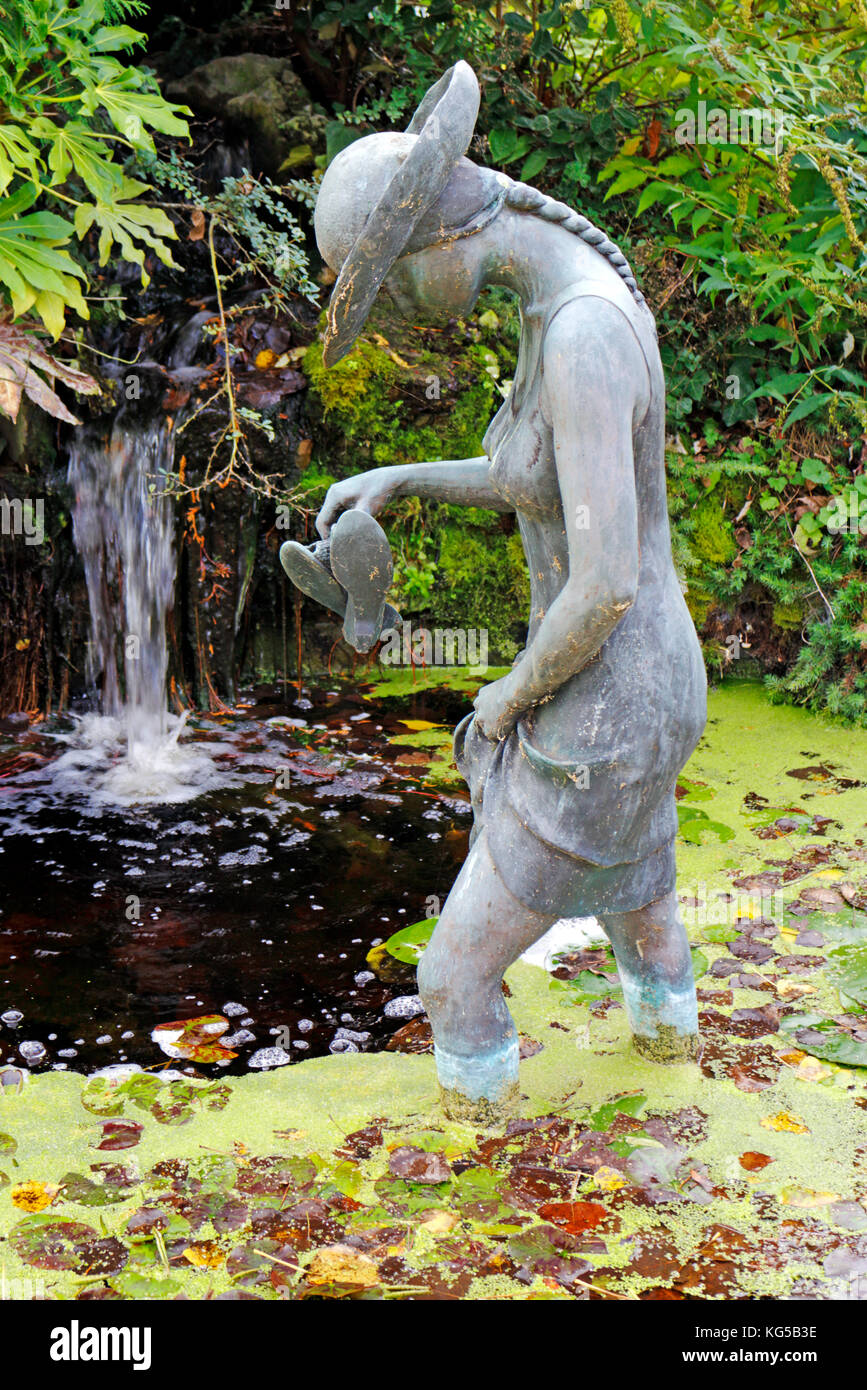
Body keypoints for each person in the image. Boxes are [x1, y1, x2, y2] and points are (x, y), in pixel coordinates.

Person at [284, 61, 707, 1122]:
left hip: (609, 705)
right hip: (636, 694)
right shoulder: (549, 311)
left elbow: (605, 581)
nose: (402, 313)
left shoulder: (583, 334)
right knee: (642, 916)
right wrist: (401, 477)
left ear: (444, 241)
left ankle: (487, 1179)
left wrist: (507, 698)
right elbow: (539, 482)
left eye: (392, 283)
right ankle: (676, 1104)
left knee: (452, 975)